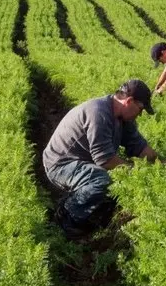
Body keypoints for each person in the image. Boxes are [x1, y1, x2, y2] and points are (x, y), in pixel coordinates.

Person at [43, 79, 159, 238]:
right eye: (140, 109)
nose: (140, 114)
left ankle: (92, 210)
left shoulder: (123, 118)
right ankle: (67, 213)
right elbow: (105, 160)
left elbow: (140, 147)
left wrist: (162, 164)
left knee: (109, 179)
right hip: (60, 164)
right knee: (102, 179)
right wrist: (135, 170)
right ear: (129, 101)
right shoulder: (99, 113)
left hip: (81, 162)